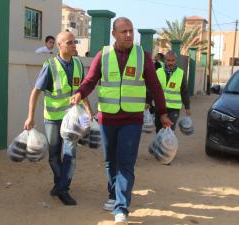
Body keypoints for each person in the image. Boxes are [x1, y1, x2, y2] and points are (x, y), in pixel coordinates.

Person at [70, 17, 173, 225]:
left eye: (131, 31)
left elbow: (155, 86)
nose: (128, 34)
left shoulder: (142, 56)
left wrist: (162, 112)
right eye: (124, 31)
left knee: (126, 163)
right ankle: (113, 194)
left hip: (132, 119)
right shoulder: (103, 55)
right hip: (107, 118)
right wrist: (79, 94)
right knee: (110, 161)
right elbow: (90, 80)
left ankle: (121, 207)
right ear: (114, 34)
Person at [24, 31, 93, 206]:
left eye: (74, 42)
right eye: (69, 43)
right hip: (53, 118)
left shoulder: (78, 63)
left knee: (70, 153)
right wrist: (30, 117)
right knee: (54, 156)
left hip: (72, 120)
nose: (73, 45)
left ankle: (63, 189)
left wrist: (88, 111)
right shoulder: (50, 65)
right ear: (59, 46)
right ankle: (60, 184)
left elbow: (82, 91)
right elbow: (35, 92)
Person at [154, 51, 191, 133]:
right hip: (160, 107)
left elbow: (184, 91)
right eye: (168, 60)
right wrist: (148, 102)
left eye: (173, 60)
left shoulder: (181, 73)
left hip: (173, 108)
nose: (170, 62)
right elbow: (153, 88)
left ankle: (168, 146)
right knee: (159, 130)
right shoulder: (158, 72)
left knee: (169, 131)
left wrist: (187, 107)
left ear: (176, 60)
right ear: (164, 60)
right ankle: (159, 146)